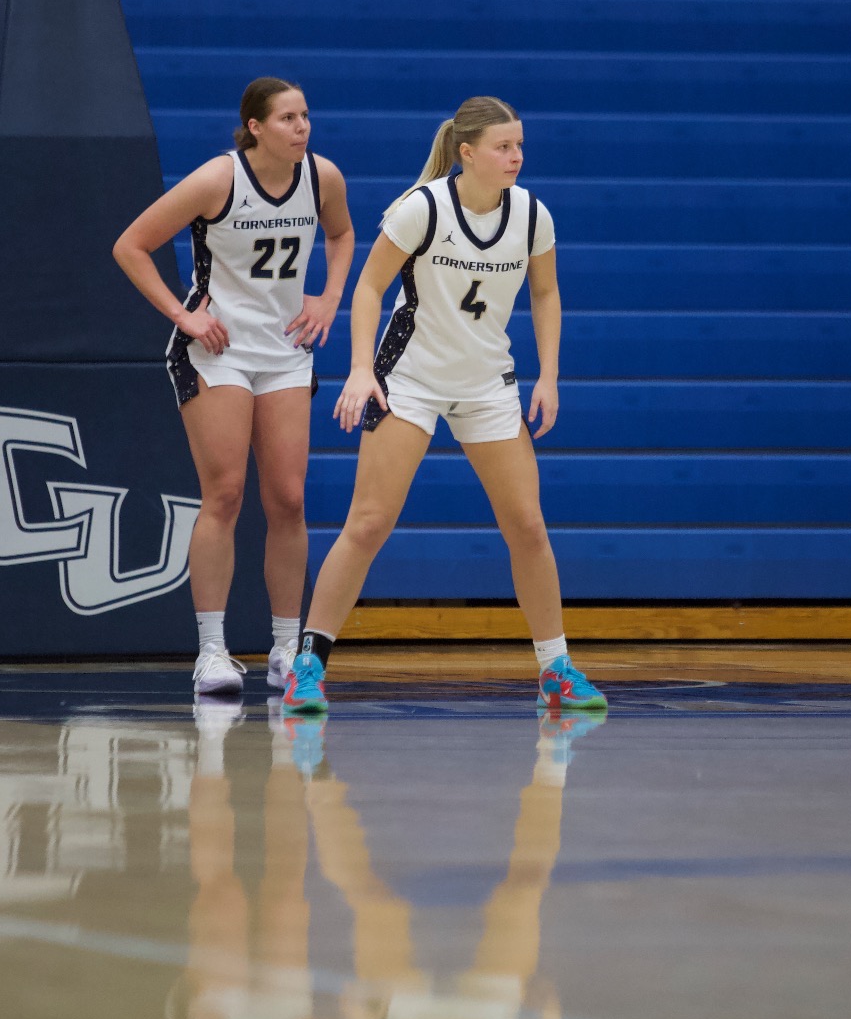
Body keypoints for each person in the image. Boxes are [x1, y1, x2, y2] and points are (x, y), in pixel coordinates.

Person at [280, 96, 605, 716]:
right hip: (410, 377)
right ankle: (308, 665)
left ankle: (556, 668)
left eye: (519, 145)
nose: (517, 156)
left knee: (529, 526)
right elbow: (370, 286)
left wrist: (549, 376)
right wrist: (357, 370)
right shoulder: (422, 208)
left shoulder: (533, 214)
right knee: (369, 523)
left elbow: (546, 292)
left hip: (487, 382)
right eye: (504, 146)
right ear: (467, 152)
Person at [113, 78, 354, 695]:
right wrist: (183, 314)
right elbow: (131, 245)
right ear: (254, 127)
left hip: (284, 351)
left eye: (306, 116)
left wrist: (328, 298)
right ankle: (213, 652)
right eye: (288, 118)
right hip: (217, 350)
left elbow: (342, 234)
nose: (302, 127)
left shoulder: (322, 176)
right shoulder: (218, 181)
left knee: (290, 500)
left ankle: (284, 649)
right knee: (223, 494)